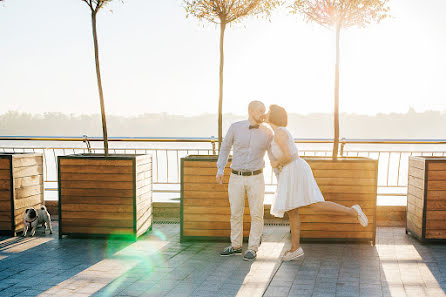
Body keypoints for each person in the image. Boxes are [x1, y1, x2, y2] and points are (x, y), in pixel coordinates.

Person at [267, 104, 368, 261]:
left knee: (315, 204)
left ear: (273, 115)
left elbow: (288, 155)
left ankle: (353, 211)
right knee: (292, 210)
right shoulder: (277, 133)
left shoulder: (279, 132)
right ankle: (295, 248)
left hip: (295, 169)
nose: (265, 114)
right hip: (291, 171)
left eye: (268, 112)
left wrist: (275, 163)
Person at [216, 101, 273, 261]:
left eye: (264, 110)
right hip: (236, 177)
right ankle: (235, 246)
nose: (263, 113)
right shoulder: (235, 127)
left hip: (257, 177)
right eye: (260, 111)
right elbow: (225, 147)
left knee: (257, 214)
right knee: (235, 213)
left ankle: (253, 248)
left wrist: (281, 174)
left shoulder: (268, 132)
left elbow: (273, 154)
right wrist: (221, 169)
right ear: (250, 111)